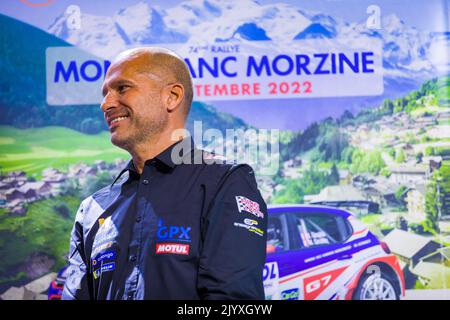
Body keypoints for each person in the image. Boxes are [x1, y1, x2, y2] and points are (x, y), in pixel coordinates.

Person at [62, 47, 268, 300]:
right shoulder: (91, 209)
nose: (106, 103)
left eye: (122, 88)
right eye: (105, 93)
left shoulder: (225, 182)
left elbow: (233, 301)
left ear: (172, 96)